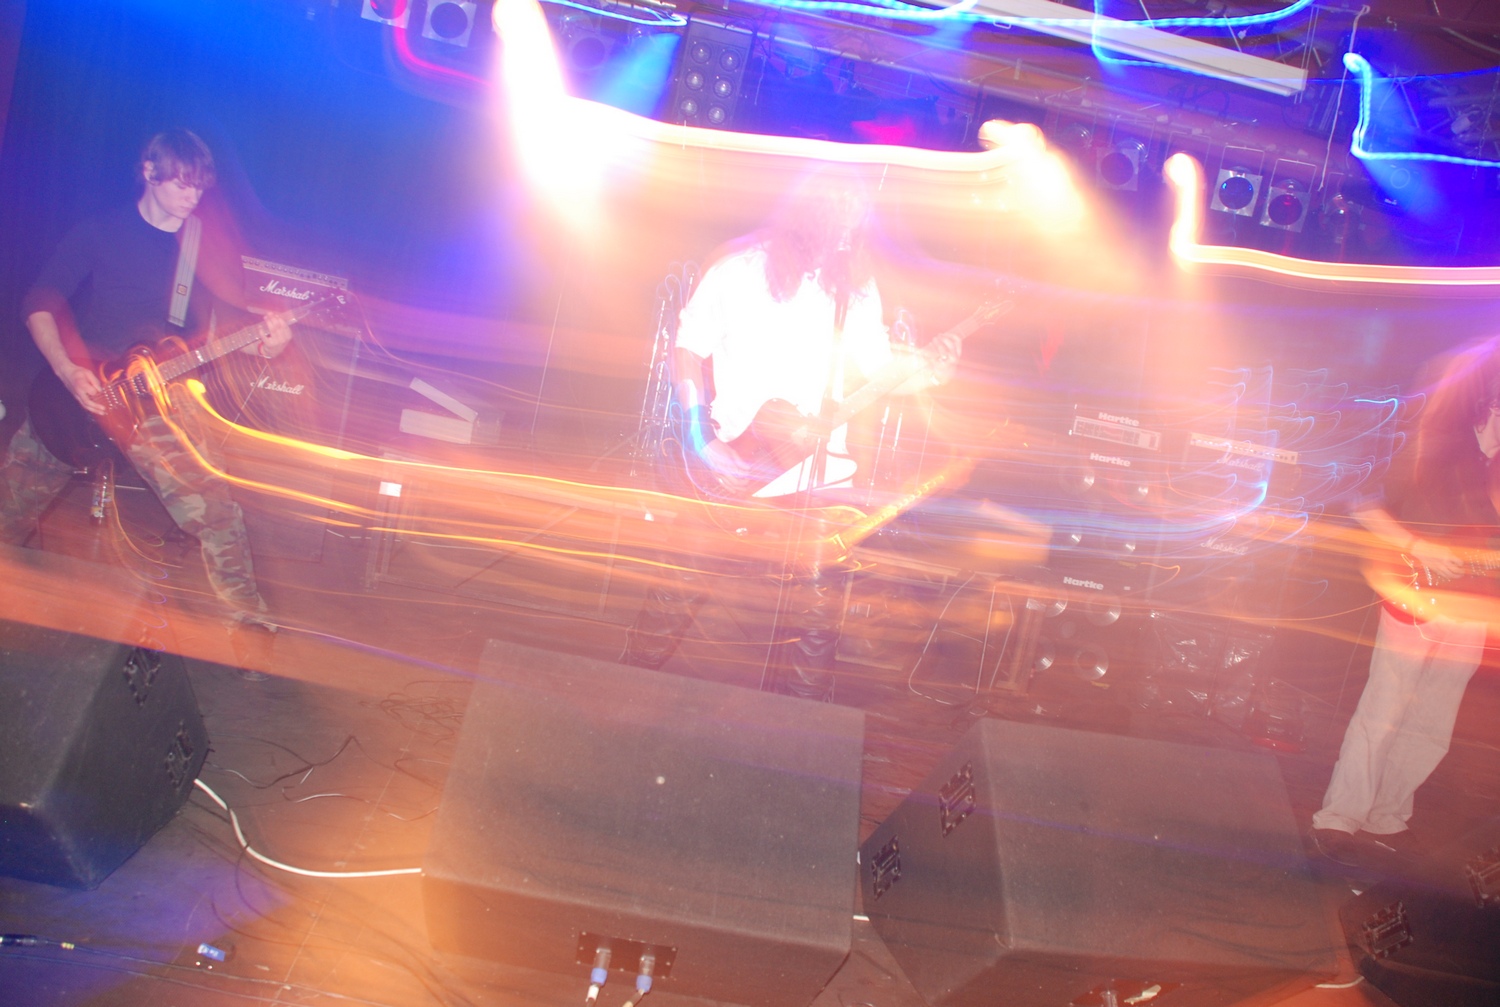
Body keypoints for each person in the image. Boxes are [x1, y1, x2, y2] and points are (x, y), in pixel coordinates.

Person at [621, 168, 962, 699]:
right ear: (809, 211)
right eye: (841, 212)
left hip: (821, 477)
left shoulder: (855, 291)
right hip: (734, 464)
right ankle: (618, 693)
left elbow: (881, 371)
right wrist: (699, 436)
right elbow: (687, 347)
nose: (850, 228)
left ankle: (804, 726)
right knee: (676, 592)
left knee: (818, 617)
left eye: (858, 217)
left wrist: (933, 372)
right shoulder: (740, 271)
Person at [0, 129, 292, 666]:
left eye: (199, 186)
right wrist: (68, 371)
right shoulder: (100, 231)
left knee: (214, 507)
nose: (191, 196)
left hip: (158, 399)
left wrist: (268, 342)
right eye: (181, 183)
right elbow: (39, 303)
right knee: (9, 508)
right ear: (149, 171)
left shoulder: (204, 248)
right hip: (78, 396)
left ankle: (249, 628)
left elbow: (229, 325)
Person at [1311, 336, 1500, 868]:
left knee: (1432, 725)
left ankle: (1387, 816)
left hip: (1471, 613)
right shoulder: (1435, 445)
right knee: (1384, 711)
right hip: (1413, 598)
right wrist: (1421, 547)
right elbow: (1361, 503)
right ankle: (1339, 817)